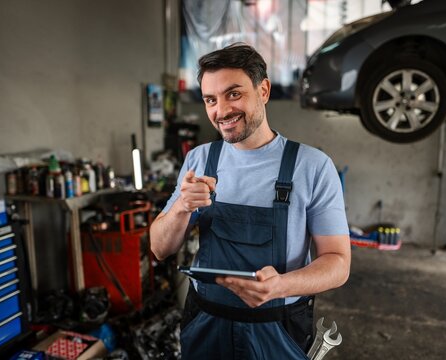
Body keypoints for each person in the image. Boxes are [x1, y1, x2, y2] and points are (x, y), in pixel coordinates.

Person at [150, 43, 351, 360]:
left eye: (234, 94)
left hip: (277, 329)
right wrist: (181, 207)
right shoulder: (199, 159)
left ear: (264, 90)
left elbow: (338, 264)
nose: (221, 110)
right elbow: (160, 248)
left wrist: (280, 286)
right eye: (210, 100)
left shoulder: (312, 166)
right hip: (205, 322)